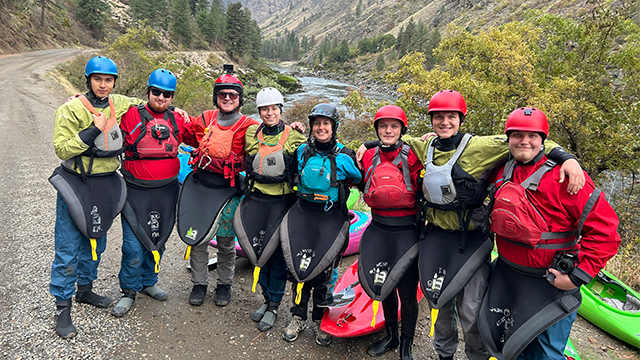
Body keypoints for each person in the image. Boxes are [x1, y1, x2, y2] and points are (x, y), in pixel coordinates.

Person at [357, 90, 584, 360]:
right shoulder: (424, 147)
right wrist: (368, 144)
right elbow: (393, 138)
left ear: (460, 118)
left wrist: (566, 158)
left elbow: (526, 140)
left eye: (451, 117)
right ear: (431, 120)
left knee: (472, 311)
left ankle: (476, 355)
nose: (444, 122)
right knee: (439, 304)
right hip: (436, 238)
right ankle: (444, 355)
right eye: (438, 117)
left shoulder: (480, 146)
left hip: (471, 240)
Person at [479, 107, 620, 360]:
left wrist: (577, 277)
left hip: (549, 283)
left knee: (544, 353)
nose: (524, 141)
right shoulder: (501, 170)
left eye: (532, 135)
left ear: (543, 140)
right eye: (517, 135)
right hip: (508, 277)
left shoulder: (568, 178)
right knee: (511, 345)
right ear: (508, 138)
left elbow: (605, 231)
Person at [49, 56, 145, 338]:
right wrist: (93, 130)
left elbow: (142, 103)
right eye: (98, 79)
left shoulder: (119, 102)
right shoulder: (70, 109)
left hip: (106, 184)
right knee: (67, 247)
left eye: (109, 80)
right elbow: (62, 149)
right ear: (88, 80)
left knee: (97, 240)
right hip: (76, 182)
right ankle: (62, 308)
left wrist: (175, 110)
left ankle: (85, 290)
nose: (103, 85)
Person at [280, 103, 362, 346]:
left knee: (325, 271)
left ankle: (320, 319)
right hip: (303, 214)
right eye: (317, 123)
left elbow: (359, 178)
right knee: (298, 267)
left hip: (330, 217)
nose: (321, 128)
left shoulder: (345, 156)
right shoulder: (303, 150)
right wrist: (290, 128)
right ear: (312, 126)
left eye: (326, 123)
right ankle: (298, 316)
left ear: (333, 127)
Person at [111, 69, 190, 317]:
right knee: (132, 245)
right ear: (148, 91)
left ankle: (148, 281)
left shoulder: (178, 119)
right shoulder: (130, 113)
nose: (161, 97)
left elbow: (207, 131)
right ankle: (128, 290)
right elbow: (101, 106)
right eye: (156, 92)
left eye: (167, 94)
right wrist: (79, 99)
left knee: (158, 240)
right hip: (136, 191)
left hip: (167, 192)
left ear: (172, 96)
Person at [178, 70, 260, 307]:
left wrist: (291, 127)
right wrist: (176, 113)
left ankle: (224, 285)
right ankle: (199, 283)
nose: (227, 98)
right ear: (216, 97)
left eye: (232, 95)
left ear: (240, 98)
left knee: (226, 242)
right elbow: (182, 133)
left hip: (229, 189)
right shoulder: (204, 119)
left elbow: (269, 141)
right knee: (198, 239)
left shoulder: (250, 125)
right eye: (222, 94)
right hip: (202, 186)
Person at [234, 87, 307, 331]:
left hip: (282, 203)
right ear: (259, 111)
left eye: (274, 108)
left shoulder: (294, 136)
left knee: (276, 256)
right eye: (265, 109)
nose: (269, 113)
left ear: (280, 110)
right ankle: (266, 300)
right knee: (259, 250)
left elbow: (314, 152)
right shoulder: (251, 134)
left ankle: (274, 304)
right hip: (256, 201)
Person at [358, 105, 423, 360]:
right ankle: (391, 337)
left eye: (394, 126)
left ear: (402, 130)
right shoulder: (366, 155)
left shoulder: (415, 155)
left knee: (407, 293)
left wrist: (561, 156)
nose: (388, 130)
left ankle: (406, 344)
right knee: (383, 285)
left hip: (407, 232)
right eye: (383, 126)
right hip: (379, 229)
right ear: (376, 129)